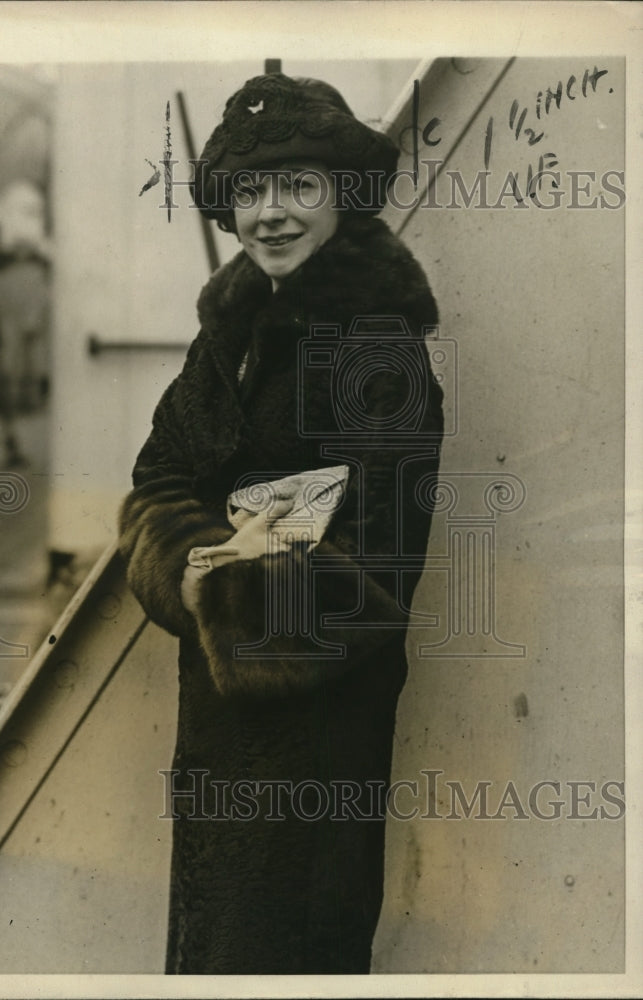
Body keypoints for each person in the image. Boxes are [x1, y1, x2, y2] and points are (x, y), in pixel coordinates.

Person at [118, 72, 444, 975]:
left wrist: (224, 573)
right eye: (251, 189)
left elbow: (373, 574)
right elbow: (157, 479)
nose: (272, 213)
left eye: (299, 185)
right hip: (217, 737)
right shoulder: (226, 336)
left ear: (342, 190)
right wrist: (200, 570)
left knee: (289, 957)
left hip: (316, 750)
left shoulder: (381, 353)